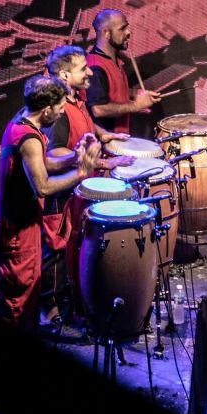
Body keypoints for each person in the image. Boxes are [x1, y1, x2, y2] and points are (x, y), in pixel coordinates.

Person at [0, 75, 100, 330]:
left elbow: (44, 163)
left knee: (26, 303)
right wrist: (81, 173)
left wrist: (75, 156)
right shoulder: (27, 138)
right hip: (15, 234)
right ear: (47, 108)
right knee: (19, 309)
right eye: (60, 108)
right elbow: (42, 186)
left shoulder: (25, 124)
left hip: (23, 229)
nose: (62, 113)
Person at [41, 45, 135, 325]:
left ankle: (75, 299)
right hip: (61, 193)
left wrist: (104, 136)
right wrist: (95, 162)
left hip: (79, 187)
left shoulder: (75, 99)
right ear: (65, 75)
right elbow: (52, 153)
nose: (90, 71)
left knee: (73, 246)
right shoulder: (57, 111)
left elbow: (86, 126)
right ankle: (51, 310)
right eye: (83, 68)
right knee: (56, 248)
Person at [85, 9, 162, 134]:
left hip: (118, 141)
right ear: (106, 33)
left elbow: (111, 89)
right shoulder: (95, 67)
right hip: (105, 145)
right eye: (122, 29)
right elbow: (98, 109)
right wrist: (135, 106)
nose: (128, 32)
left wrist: (135, 93)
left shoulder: (113, 59)